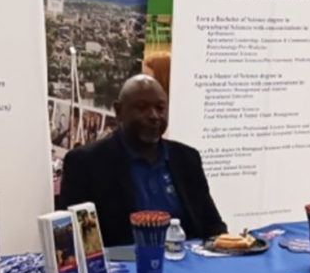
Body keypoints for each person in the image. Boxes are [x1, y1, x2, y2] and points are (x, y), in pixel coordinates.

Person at [59, 74, 226, 246]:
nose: (154, 116)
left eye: (160, 108)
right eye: (142, 107)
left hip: (188, 258)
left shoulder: (187, 158)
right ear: (118, 111)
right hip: (123, 261)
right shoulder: (85, 163)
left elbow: (212, 225)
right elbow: (75, 239)